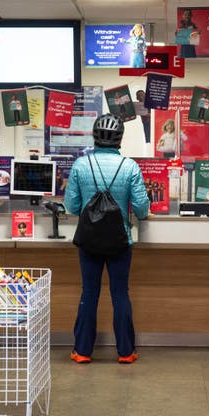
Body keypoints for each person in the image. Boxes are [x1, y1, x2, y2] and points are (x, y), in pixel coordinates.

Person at [64, 113, 150, 364]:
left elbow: (71, 205)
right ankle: (125, 352)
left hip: (89, 241)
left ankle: (82, 351)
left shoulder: (81, 165)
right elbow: (142, 208)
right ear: (119, 138)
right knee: (120, 294)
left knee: (88, 294)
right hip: (120, 242)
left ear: (95, 136)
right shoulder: (130, 166)